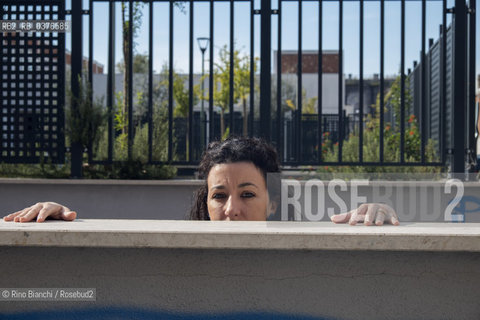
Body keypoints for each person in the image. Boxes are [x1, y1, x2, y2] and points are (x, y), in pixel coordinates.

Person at [3, 136, 399, 225]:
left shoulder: (312, 254)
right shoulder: (176, 256)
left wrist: (379, 218)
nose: (231, 210)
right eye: (219, 196)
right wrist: (54, 217)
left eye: (247, 194)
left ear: (273, 200)